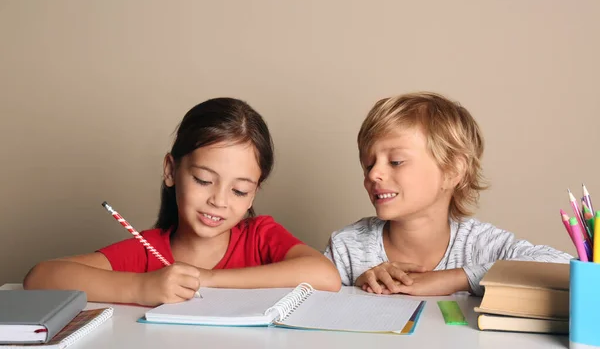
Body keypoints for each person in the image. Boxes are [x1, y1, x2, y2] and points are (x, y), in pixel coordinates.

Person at [24, 97, 341, 306]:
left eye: (240, 190)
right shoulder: (147, 250)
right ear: (171, 170)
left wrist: (207, 278)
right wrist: (142, 288)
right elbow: (40, 277)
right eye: (203, 180)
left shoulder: (260, 236)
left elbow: (325, 275)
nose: (218, 200)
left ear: (255, 192)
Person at [324, 92, 571, 296]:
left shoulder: (481, 246)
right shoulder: (347, 247)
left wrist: (457, 279)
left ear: (452, 171)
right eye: (368, 164)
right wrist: (357, 287)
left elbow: (566, 267)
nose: (373, 174)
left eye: (396, 161)